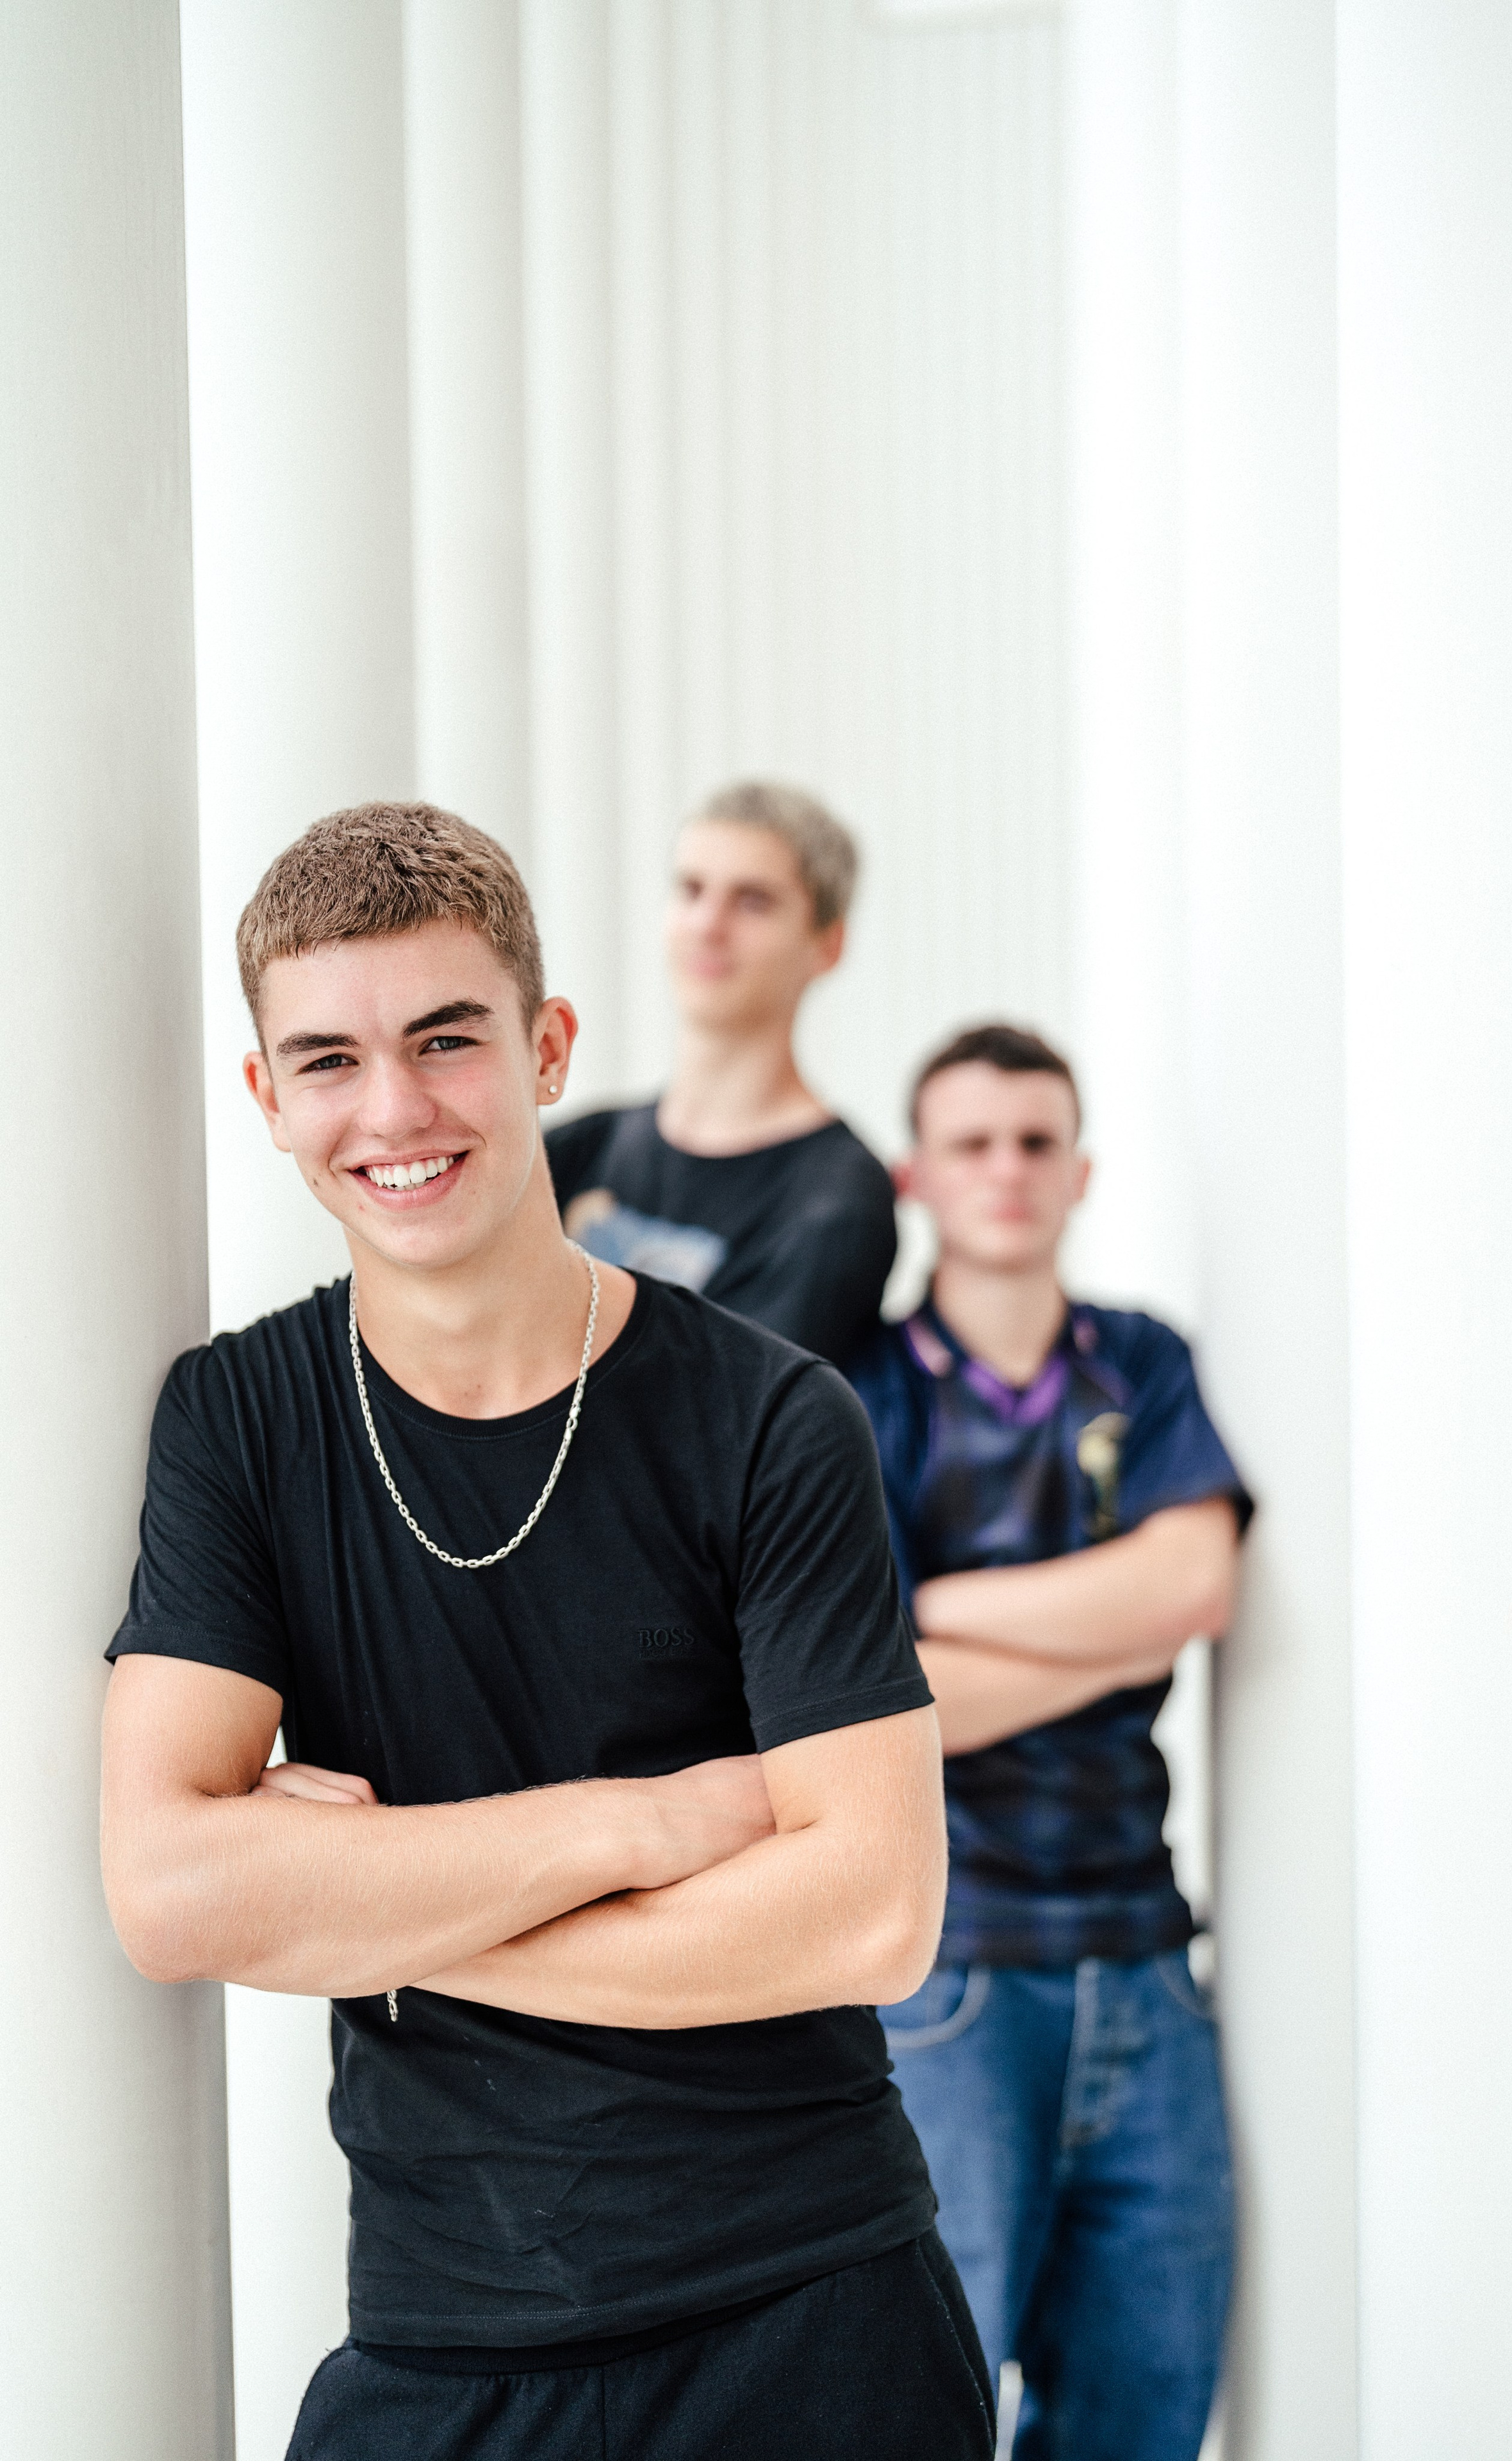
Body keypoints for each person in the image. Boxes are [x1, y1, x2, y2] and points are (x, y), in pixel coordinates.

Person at [99, 802, 992, 2461]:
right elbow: (171, 1894)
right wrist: (642, 1827)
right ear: (267, 1102)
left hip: (808, 2322)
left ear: (549, 1045)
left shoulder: (770, 1419)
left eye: (449, 1041)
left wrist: (370, 1917)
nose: (394, 1111)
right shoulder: (239, 1423)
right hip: (444, 2337)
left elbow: (868, 1915)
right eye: (328, 1062)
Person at [848, 1022, 1252, 2461]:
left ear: (1078, 1172)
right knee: (930, 2416)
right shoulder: (856, 1397)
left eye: (1034, 1143)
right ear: (915, 1175)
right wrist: (1114, 1632)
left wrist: (949, 1607)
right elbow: (874, 1703)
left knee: (1141, 2416)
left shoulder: (1139, 1362)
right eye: (971, 1143)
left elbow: (1193, 1586)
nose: (1005, 1171)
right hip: (946, 1979)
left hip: (1146, 1962)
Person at [545, 779, 896, 1366]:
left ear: (826, 945)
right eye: (690, 890)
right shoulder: (578, 1147)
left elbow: (720, 1428)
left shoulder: (837, 1201)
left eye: (753, 901)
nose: (708, 923)